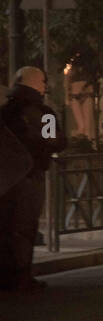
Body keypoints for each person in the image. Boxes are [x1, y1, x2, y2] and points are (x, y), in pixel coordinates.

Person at [0, 67, 67, 292]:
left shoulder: (4, 112)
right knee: (25, 228)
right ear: (38, 84)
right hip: (29, 178)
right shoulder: (43, 113)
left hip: (5, 180)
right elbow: (55, 142)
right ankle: (22, 276)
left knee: (5, 227)